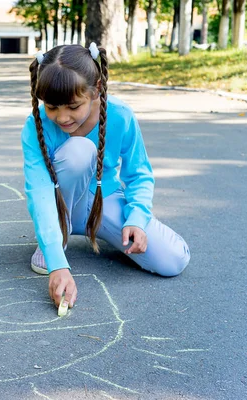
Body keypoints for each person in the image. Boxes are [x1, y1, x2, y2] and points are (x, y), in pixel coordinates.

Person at [22, 43, 190, 312]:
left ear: (96, 89)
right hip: (61, 205)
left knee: (173, 261)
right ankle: (56, 236)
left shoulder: (120, 116)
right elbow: (39, 192)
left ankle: (96, 231)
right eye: (52, 107)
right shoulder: (37, 125)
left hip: (105, 203)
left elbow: (139, 174)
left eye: (73, 106)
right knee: (79, 150)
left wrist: (137, 218)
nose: (62, 117)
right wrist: (57, 263)